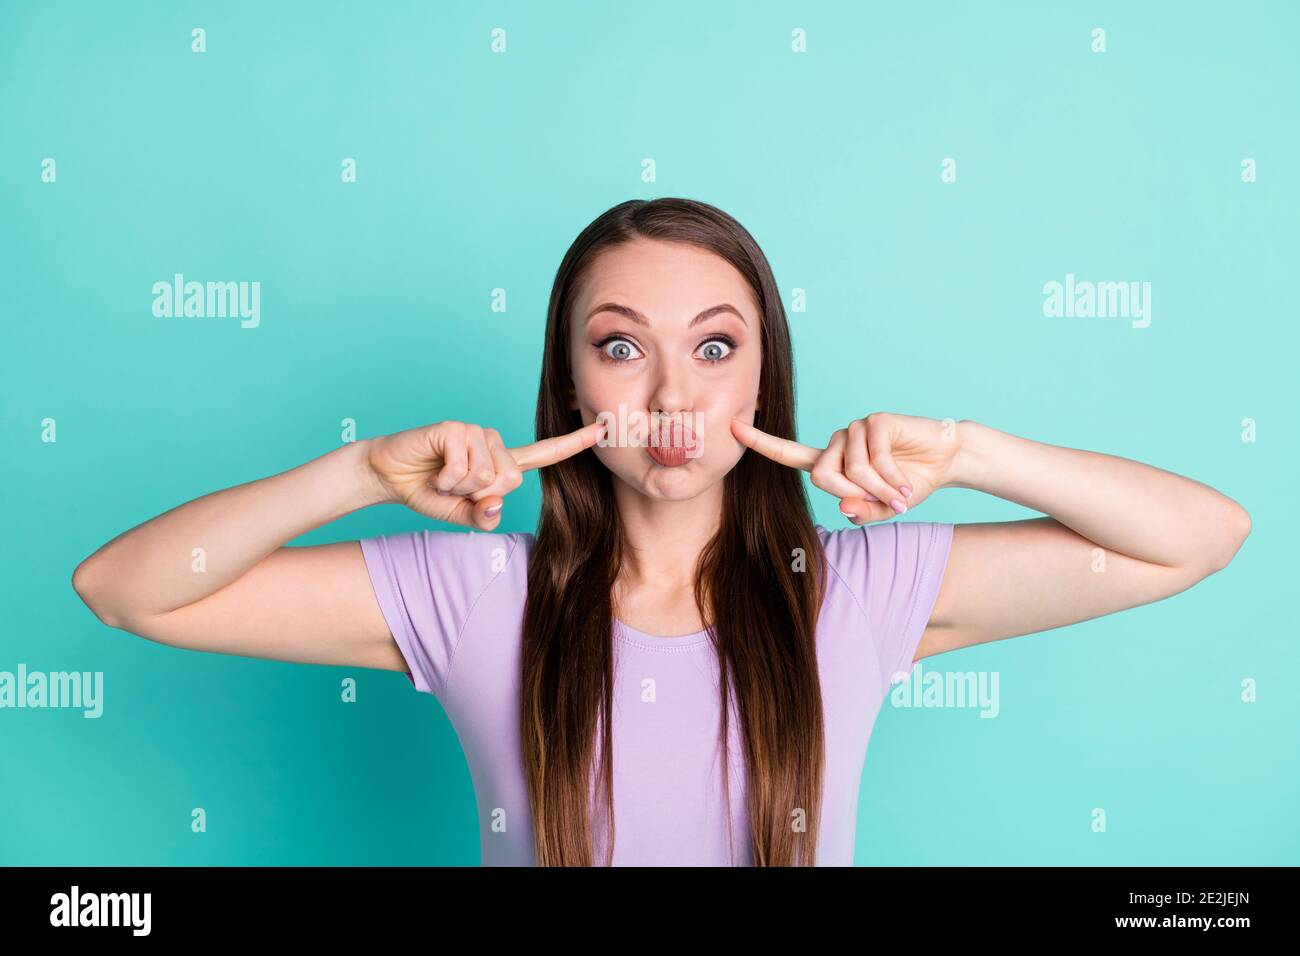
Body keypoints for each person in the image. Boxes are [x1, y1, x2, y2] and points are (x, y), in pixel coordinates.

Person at [71, 197, 1251, 867]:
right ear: (573, 383)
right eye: (623, 345)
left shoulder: (857, 589)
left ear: (761, 383)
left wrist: (972, 452)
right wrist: (359, 471)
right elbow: (127, 588)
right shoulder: (476, 596)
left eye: (717, 346)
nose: (674, 395)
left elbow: (1196, 535)